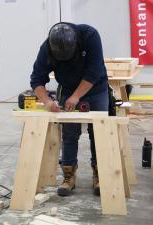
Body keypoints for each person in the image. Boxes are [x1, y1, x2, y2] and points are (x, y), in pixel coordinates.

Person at [30, 22, 109, 197]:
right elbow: (36, 79)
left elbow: (94, 71)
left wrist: (76, 96)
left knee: (99, 131)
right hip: (67, 89)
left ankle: (99, 175)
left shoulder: (90, 35)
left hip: (96, 88)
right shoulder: (47, 48)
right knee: (69, 133)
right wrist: (47, 102)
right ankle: (68, 176)